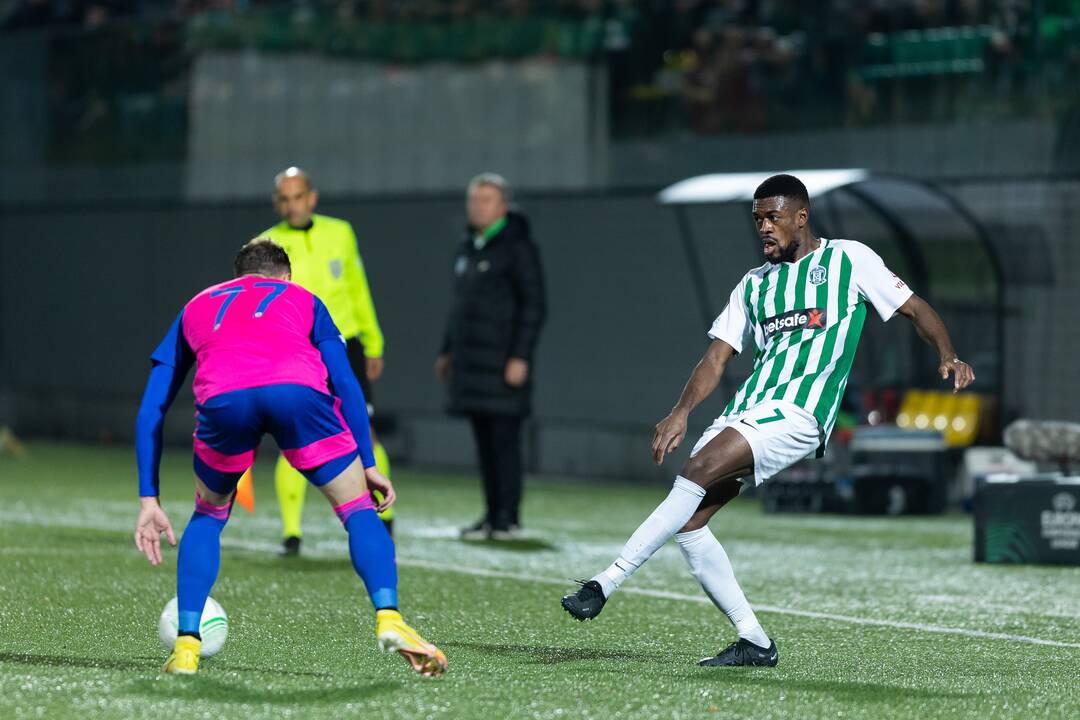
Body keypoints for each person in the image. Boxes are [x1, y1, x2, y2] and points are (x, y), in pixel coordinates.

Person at [560, 174, 974, 667]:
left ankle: (604, 583)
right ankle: (753, 640)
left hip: (801, 412)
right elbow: (715, 359)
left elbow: (914, 308)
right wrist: (681, 412)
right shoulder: (754, 285)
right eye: (757, 218)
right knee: (690, 522)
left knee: (694, 473)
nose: (764, 227)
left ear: (801, 216)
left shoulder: (848, 259)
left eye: (773, 217)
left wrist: (947, 353)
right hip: (749, 410)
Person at [133, 239, 446, 677]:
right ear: (285, 276)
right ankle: (389, 616)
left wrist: (150, 498)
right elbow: (346, 382)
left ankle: (186, 647)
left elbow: (152, 408)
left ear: (238, 274)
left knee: (208, 515)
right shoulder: (303, 298)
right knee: (358, 511)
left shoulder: (197, 305)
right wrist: (369, 461)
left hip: (225, 401)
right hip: (296, 393)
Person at [262, 167, 394, 555]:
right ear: (277, 203)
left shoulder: (340, 232)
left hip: (344, 345)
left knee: (364, 431)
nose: (292, 204)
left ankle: (383, 521)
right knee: (293, 438)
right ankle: (291, 533)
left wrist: (373, 341)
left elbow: (357, 287)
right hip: (294, 349)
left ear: (312, 197)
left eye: (298, 196)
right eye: (285, 198)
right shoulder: (265, 244)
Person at [435, 173, 546, 541]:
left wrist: (520, 356)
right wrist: (446, 351)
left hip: (502, 365)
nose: (477, 207)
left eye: (486, 200)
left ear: (503, 206)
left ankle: (507, 518)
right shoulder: (469, 246)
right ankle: (491, 515)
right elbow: (457, 308)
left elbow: (534, 305)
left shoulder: (518, 247)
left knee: (504, 440)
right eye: (474, 200)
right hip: (471, 365)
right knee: (483, 441)